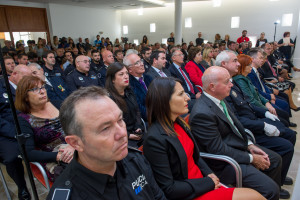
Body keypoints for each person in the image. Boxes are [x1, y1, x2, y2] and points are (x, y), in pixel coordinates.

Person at [144, 77, 265, 200]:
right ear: (164, 100)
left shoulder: (178, 122)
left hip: (203, 182)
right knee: (254, 196)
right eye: (181, 94)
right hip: (190, 192)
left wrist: (210, 174)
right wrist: (208, 182)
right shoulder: (155, 139)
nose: (187, 98)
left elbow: (195, 157)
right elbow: (170, 189)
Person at [46, 86, 166, 200]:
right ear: (76, 143)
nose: (122, 133)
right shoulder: (67, 195)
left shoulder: (136, 160)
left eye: (120, 120)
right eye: (105, 128)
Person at [189, 66, 282, 200]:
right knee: (271, 190)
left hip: (237, 147)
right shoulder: (202, 113)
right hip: (224, 163)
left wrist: (250, 145)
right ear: (212, 86)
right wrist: (251, 158)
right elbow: (217, 149)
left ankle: (262, 190)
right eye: (227, 82)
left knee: (274, 160)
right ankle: (266, 192)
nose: (231, 85)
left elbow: (236, 126)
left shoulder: (220, 98)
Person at [227, 54, 295, 198]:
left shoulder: (234, 81)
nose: (238, 65)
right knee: (285, 144)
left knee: (287, 132)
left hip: (253, 119)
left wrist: (265, 113)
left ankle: (278, 180)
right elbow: (237, 119)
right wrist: (263, 124)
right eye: (235, 62)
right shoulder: (230, 85)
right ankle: (277, 183)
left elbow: (249, 102)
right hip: (249, 129)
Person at [15, 76, 74, 181]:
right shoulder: (24, 120)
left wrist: (73, 146)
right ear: (25, 97)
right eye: (35, 89)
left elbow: (78, 125)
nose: (42, 91)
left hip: (76, 145)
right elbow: (28, 153)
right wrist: (58, 156)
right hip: (56, 158)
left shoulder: (57, 104)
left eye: (42, 87)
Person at [0, 65, 32, 200]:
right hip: (6, 131)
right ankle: (22, 188)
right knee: (12, 156)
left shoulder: (26, 86)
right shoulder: (2, 85)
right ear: (14, 74)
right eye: (25, 77)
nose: (28, 80)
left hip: (26, 124)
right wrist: (14, 132)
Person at [105, 62, 144, 147]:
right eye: (121, 74)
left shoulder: (129, 92)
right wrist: (128, 135)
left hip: (135, 132)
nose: (126, 76)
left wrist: (138, 127)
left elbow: (137, 111)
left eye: (126, 73)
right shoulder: (108, 99)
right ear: (112, 79)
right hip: (120, 136)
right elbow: (111, 125)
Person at [124, 53, 152, 121]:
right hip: (147, 120)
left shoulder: (149, 78)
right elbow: (139, 108)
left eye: (141, 61)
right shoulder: (129, 85)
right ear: (130, 69)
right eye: (137, 63)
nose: (142, 64)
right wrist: (156, 115)